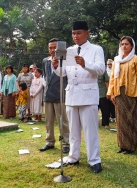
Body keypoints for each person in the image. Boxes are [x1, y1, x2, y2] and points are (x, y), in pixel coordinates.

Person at [52, 21, 105, 173]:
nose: (75, 36)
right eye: (73, 33)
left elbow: (100, 70)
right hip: (72, 94)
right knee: (73, 130)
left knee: (90, 130)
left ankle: (94, 160)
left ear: (87, 33)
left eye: (79, 33)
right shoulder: (69, 50)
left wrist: (85, 63)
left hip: (88, 95)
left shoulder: (96, 49)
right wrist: (56, 66)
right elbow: (62, 73)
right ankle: (73, 157)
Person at [107, 36, 137, 154]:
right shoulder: (116, 60)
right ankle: (122, 145)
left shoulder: (136, 59)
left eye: (126, 44)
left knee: (130, 119)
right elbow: (113, 77)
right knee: (120, 120)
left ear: (132, 46)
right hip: (119, 93)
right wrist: (111, 92)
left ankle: (131, 146)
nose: (124, 46)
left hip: (131, 93)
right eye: (122, 44)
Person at [40, 38, 70, 154]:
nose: (52, 50)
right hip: (48, 95)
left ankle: (66, 143)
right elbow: (45, 77)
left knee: (63, 121)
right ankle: (49, 141)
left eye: (54, 47)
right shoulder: (45, 61)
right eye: (50, 47)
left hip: (61, 94)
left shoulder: (65, 60)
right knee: (48, 121)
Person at [106, 59, 115, 123]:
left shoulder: (114, 70)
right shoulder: (105, 71)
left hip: (113, 88)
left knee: (113, 104)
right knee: (107, 104)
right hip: (107, 89)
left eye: (110, 64)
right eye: (108, 64)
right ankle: (108, 116)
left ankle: (113, 116)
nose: (109, 65)